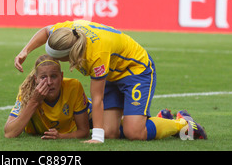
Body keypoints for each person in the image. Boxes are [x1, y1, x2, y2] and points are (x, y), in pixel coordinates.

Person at [14, 20, 207, 143]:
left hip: (135, 70)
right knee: (110, 132)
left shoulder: (96, 54)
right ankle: (159, 119)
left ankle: (183, 124)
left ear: (69, 55)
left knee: (134, 132)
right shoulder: (65, 32)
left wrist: (96, 138)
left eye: (60, 59)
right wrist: (25, 51)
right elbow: (46, 30)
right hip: (111, 73)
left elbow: (97, 98)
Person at [5, 54, 91, 139]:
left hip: (89, 110)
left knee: (104, 130)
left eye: (53, 76)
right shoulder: (26, 92)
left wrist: (61, 136)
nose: (49, 82)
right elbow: (9, 133)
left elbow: (84, 131)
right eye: (43, 77)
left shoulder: (73, 87)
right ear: (36, 79)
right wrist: (34, 101)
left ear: (61, 76)